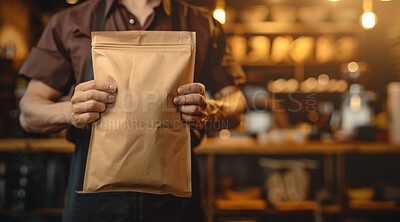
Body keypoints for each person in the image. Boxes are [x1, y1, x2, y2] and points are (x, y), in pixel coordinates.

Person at [18, 0, 246, 221]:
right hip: (95, 199)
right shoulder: (71, 22)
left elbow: (237, 103)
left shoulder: (203, 24)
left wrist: (212, 109)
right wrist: (69, 112)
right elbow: (29, 112)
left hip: (176, 199)